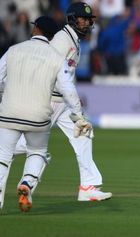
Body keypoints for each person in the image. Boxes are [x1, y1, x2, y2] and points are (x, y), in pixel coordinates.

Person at [15, 2, 112, 201]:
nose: (86, 23)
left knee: (84, 133)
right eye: (83, 19)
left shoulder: (74, 40)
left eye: (88, 20)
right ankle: (20, 171)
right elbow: (47, 67)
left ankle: (87, 187)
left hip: (62, 103)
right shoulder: (61, 39)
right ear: (72, 19)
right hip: (49, 100)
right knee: (24, 144)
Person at [0, 16, 92, 212]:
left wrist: (3, 95)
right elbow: (68, 89)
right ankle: (27, 181)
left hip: (8, 113)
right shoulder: (56, 58)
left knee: (2, 158)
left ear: (36, 30)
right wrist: (79, 115)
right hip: (39, 116)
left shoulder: (14, 50)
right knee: (38, 153)